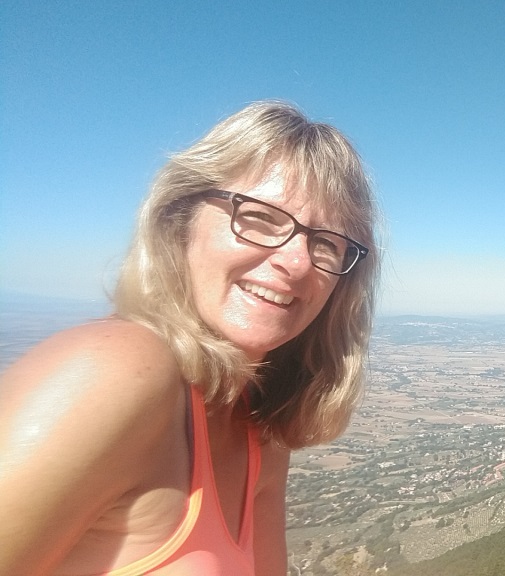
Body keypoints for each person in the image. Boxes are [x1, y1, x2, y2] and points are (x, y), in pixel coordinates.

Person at [0, 101, 379, 575]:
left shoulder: (260, 425)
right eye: (261, 217)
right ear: (179, 223)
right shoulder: (114, 370)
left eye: (326, 243)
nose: (297, 261)